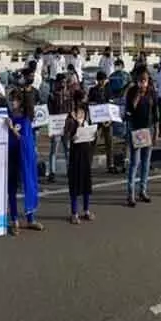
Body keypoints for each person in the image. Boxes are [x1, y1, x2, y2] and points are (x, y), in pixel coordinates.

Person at [5, 88, 42, 235]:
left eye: (14, 100)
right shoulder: (7, 116)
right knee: (11, 189)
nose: (12, 102)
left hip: (23, 156)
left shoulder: (25, 119)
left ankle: (30, 218)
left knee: (28, 184)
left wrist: (11, 128)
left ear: (19, 102)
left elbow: (24, 140)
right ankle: (14, 219)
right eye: (11, 99)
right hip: (10, 155)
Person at [125, 68, 157, 205]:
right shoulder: (132, 92)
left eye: (145, 79)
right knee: (134, 162)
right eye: (141, 80)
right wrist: (138, 93)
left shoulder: (152, 92)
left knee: (146, 162)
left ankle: (143, 190)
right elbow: (130, 109)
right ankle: (130, 193)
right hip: (136, 130)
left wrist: (155, 131)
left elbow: (155, 112)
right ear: (137, 80)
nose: (143, 82)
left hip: (148, 128)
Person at [64, 88, 94, 224]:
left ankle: (86, 210)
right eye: (83, 99)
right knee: (75, 183)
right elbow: (66, 135)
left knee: (87, 182)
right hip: (75, 153)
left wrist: (93, 133)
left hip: (86, 151)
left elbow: (93, 130)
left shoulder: (87, 114)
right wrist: (73, 134)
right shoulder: (70, 117)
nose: (85, 101)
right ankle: (74, 212)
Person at [45, 75, 71, 183]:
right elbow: (49, 111)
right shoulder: (52, 96)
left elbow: (71, 109)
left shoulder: (68, 95)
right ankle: (52, 172)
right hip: (56, 125)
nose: (63, 84)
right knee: (54, 149)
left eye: (64, 82)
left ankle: (70, 171)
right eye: (61, 82)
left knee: (68, 149)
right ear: (57, 83)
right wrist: (50, 126)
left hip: (66, 125)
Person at [88, 71, 115, 174]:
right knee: (92, 142)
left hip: (107, 120)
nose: (102, 82)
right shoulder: (93, 90)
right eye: (100, 80)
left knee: (109, 143)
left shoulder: (109, 90)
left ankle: (110, 165)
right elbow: (90, 103)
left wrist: (109, 119)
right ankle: (88, 164)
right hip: (96, 120)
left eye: (103, 80)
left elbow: (111, 105)